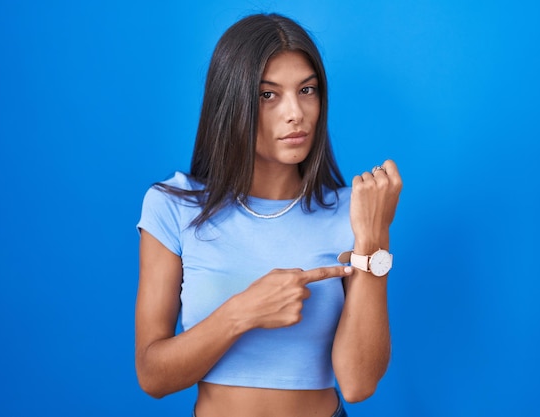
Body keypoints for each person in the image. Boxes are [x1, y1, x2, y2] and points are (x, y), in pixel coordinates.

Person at [135, 13, 402, 417]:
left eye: (307, 90)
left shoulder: (355, 211)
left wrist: (372, 241)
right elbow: (153, 377)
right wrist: (244, 311)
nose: (296, 112)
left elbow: (359, 383)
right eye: (268, 95)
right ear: (231, 103)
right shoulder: (172, 206)